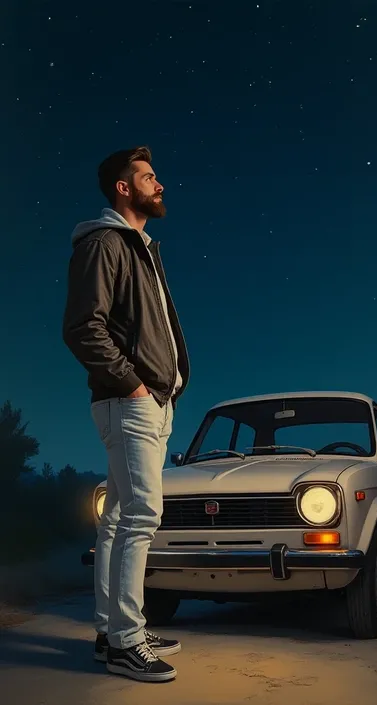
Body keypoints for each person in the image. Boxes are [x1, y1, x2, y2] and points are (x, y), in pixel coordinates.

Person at [63, 146, 190, 683]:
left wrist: (160, 390)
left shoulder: (139, 247)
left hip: (150, 401)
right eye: (149, 177)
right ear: (123, 188)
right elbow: (82, 327)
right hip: (131, 400)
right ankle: (126, 642)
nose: (159, 185)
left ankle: (111, 631)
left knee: (117, 519)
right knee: (141, 516)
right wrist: (135, 385)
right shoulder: (104, 243)